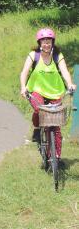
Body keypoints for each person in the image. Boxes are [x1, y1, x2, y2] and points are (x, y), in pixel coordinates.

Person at [20, 28, 76, 160]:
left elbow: (65, 71)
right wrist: (23, 87)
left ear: (52, 42)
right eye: (44, 41)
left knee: (56, 126)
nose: (46, 44)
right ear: (39, 43)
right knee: (39, 110)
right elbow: (24, 72)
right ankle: (37, 129)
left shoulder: (57, 55)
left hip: (55, 92)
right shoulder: (34, 55)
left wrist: (70, 84)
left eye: (49, 41)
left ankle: (55, 157)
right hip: (36, 90)